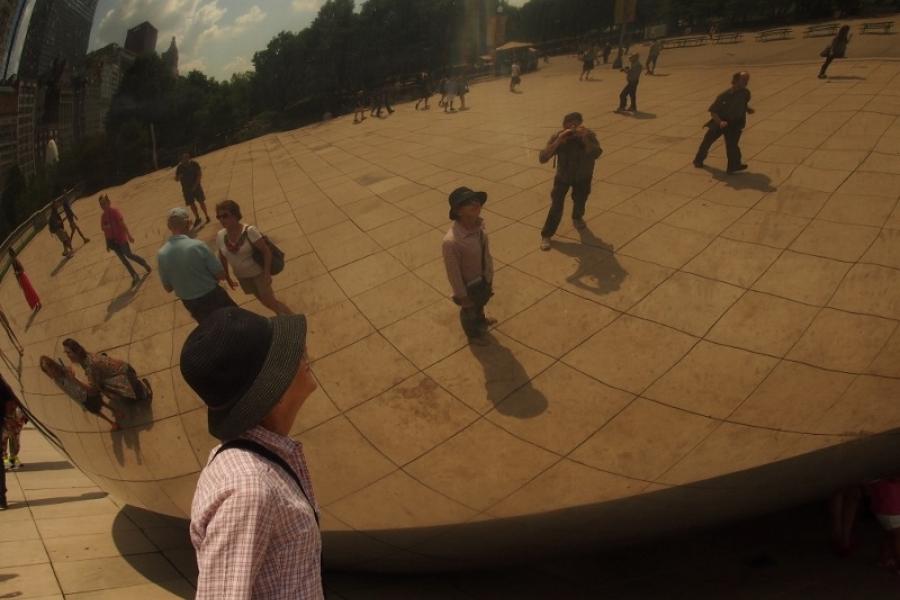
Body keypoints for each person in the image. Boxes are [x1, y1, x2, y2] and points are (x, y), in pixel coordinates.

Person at [183, 307, 323, 599]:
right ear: (270, 389)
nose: (304, 351)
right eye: (287, 355)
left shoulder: (263, 457)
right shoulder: (250, 490)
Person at [158, 207, 237, 323]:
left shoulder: (161, 254)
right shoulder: (197, 246)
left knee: (212, 330)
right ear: (188, 224)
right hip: (212, 295)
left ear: (169, 227)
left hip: (190, 303)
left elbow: (168, 288)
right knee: (237, 322)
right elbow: (220, 274)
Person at [216, 200, 293, 316]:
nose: (222, 220)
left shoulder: (249, 231)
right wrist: (227, 277)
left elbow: (266, 251)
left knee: (270, 301)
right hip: (243, 277)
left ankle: (290, 317)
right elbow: (222, 256)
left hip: (259, 274)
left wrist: (267, 273)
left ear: (235, 215)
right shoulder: (220, 235)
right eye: (219, 217)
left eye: (225, 216)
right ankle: (284, 316)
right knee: (264, 302)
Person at [538, 112, 602, 251]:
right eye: (570, 124)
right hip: (563, 177)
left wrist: (585, 139)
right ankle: (547, 234)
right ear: (564, 125)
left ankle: (577, 217)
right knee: (556, 206)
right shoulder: (559, 136)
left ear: (581, 124)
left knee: (580, 200)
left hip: (583, 177)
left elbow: (597, 153)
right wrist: (558, 141)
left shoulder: (588, 135)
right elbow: (543, 158)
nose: (573, 127)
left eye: (576, 123)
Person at [442, 187, 496, 346]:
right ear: (458, 211)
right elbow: (453, 273)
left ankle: (482, 320)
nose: (475, 204)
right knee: (469, 311)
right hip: (468, 285)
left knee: (480, 303)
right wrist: (462, 296)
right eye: (468, 203)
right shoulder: (451, 241)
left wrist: (489, 274)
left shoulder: (479, 226)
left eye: (476, 200)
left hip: (483, 277)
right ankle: (473, 335)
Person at [693, 71, 755, 173]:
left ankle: (733, 166)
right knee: (707, 142)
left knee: (732, 145)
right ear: (735, 80)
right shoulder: (724, 95)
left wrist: (748, 109)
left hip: (734, 123)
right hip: (720, 122)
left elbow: (743, 103)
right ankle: (698, 160)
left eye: (747, 80)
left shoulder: (746, 93)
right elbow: (713, 111)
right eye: (743, 80)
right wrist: (720, 122)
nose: (746, 82)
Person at [40, 355, 121, 431]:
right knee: (95, 411)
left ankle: (115, 411)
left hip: (85, 391)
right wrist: (79, 403)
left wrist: (72, 375)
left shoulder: (65, 370)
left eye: (51, 367)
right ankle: (111, 422)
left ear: (54, 365)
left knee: (100, 401)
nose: (52, 371)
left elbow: (78, 378)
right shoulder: (57, 381)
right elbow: (68, 393)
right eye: (48, 370)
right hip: (81, 398)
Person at [62, 338, 152, 405]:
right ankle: (133, 394)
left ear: (77, 351)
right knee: (105, 385)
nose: (67, 355)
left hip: (127, 378)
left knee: (106, 387)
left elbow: (93, 391)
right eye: (65, 352)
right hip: (126, 371)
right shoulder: (86, 357)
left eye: (68, 352)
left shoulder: (90, 366)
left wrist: (74, 379)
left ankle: (145, 394)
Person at [100, 194, 152, 286]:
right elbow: (105, 231)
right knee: (123, 260)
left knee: (129, 254)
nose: (103, 206)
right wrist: (107, 244)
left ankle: (144, 263)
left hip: (121, 238)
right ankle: (134, 276)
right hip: (113, 242)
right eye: (101, 204)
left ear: (109, 202)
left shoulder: (115, 212)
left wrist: (129, 235)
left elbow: (122, 224)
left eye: (104, 203)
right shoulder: (103, 217)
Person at [867, 477, 900, 573]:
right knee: (897, 535)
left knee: (888, 534)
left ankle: (884, 558)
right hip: (892, 506)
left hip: (884, 506)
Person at [175, 153, 211, 227]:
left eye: (185, 159)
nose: (183, 161)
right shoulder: (180, 167)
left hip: (196, 187)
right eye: (182, 160)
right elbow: (176, 179)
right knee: (191, 204)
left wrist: (195, 186)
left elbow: (199, 174)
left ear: (188, 158)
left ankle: (206, 215)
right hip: (186, 189)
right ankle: (197, 218)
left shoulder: (194, 164)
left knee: (201, 202)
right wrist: (178, 177)